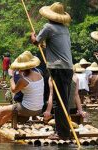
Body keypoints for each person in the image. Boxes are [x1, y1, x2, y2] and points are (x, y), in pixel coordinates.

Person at [30, 2, 73, 139]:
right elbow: (54, 46)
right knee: (64, 100)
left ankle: (62, 134)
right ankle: (65, 130)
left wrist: (33, 37)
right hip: (68, 68)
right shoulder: (65, 29)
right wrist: (43, 43)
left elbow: (36, 42)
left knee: (58, 101)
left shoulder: (48, 27)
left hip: (58, 69)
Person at [0, 51, 44, 131]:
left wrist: (10, 76)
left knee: (0, 111)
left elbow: (13, 90)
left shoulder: (23, 80)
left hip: (28, 109)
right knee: (9, 114)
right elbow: (30, 86)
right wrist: (20, 75)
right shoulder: (39, 75)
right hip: (39, 109)